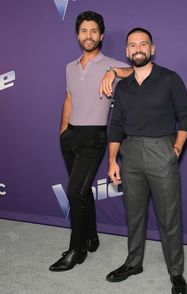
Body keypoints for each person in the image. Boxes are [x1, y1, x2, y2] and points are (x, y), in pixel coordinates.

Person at [106, 28, 187, 294]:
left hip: (161, 151)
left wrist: (175, 149)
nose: (138, 49)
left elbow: (185, 116)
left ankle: (176, 273)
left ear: (152, 49)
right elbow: (116, 124)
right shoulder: (123, 86)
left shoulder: (170, 79)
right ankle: (134, 263)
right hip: (130, 152)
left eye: (143, 44)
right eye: (132, 45)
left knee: (169, 217)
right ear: (126, 51)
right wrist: (112, 161)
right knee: (134, 214)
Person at [49, 11, 132, 272]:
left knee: (74, 191)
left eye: (94, 31)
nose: (89, 35)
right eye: (84, 31)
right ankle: (92, 236)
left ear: (102, 36)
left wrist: (113, 71)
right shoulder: (69, 67)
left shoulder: (111, 63)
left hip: (94, 136)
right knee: (82, 191)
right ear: (77, 35)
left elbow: (136, 71)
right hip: (71, 135)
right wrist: (63, 129)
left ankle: (77, 249)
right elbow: (70, 99)